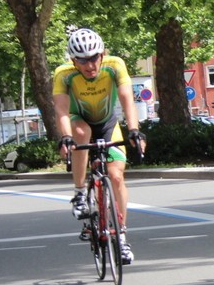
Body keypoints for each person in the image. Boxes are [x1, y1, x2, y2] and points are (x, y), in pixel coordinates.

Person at [55, 27, 146, 264]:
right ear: (73, 60)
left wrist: (134, 130)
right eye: (82, 60)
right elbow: (62, 110)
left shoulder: (115, 66)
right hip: (79, 121)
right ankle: (79, 194)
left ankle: (122, 238)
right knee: (81, 131)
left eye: (94, 57)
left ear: (102, 54)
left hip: (107, 123)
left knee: (116, 177)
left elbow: (127, 100)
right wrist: (65, 137)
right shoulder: (64, 74)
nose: (90, 65)